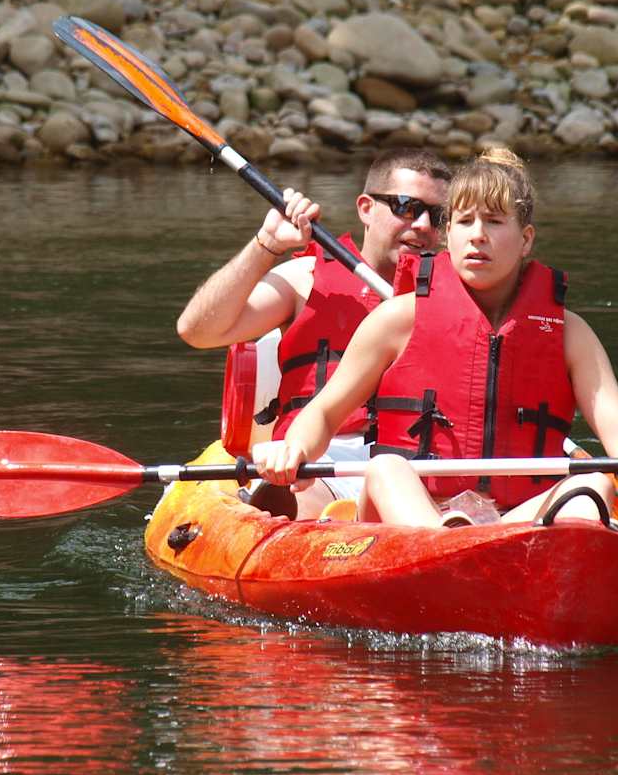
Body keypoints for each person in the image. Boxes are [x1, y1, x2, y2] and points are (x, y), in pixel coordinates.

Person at [253, 148, 618, 527]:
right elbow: (324, 413)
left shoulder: (568, 334)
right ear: (448, 234)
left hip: (511, 524)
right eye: (465, 221)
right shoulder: (396, 319)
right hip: (409, 523)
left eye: (494, 221)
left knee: (592, 483)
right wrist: (295, 447)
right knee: (385, 467)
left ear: (526, 239)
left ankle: (491, 551)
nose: (477, 235)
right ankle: (447, 541)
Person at [177, 148, 451, 516]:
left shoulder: (457, 295)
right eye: (406, 207)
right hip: (317, 458)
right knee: (305, 505)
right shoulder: (305, 280)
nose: (422, 225)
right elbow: (198, 331)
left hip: (417, 463)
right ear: (366, 208)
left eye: (438, 216)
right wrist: (267, 244)